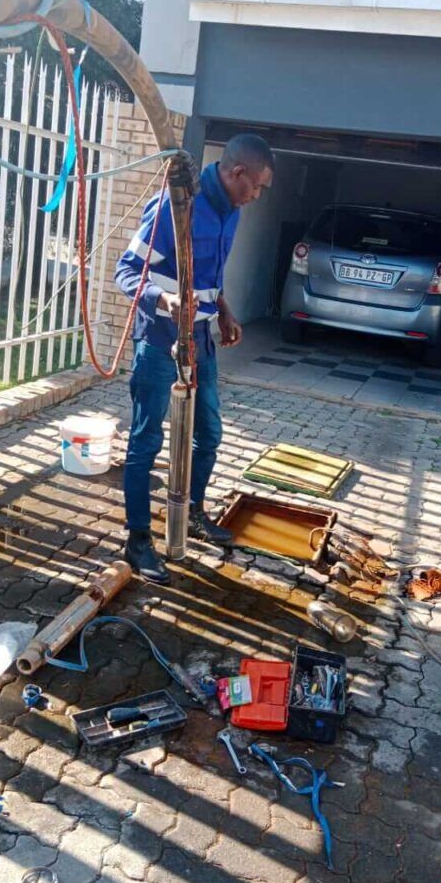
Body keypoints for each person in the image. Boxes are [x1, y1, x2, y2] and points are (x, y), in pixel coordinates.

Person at [114, 133, 275, 584]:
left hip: (201, 336)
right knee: (147, 439)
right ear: (236, 172)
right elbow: (125, 272)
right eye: (256, 186)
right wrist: (163, 301)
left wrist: (223, 312)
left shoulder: (231, 212)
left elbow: (211, 273)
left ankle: (195, 512)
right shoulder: (175, 205)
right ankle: (138, 540)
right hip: (161, 336)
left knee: (210, 431)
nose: (257, 196)